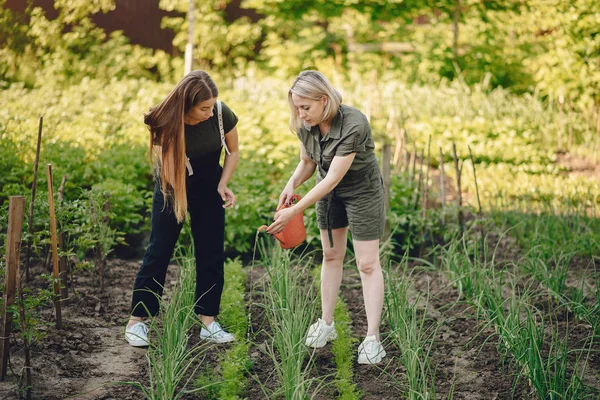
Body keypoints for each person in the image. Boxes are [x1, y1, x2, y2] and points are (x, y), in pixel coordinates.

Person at [267, 70, 386, 364]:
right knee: (331, 255)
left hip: (362, 193)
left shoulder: (354, 124)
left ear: (323, 100)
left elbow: (333, 178)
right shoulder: (305, 124)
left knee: (367, 263)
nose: (300, 113)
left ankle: (373, 339)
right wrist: (291, 183)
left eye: (305, 107)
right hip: (327, 194)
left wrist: (295, 210)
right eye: (296, 107)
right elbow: (308, 161)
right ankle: (326, 324)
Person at [125, 70, 239, 347]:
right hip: (172, 186)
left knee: (211, 252)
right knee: (159, 250)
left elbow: (233, 152)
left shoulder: (221, 114)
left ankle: (208, 323)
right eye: (203, 108)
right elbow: (171, 167)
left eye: (212, 105)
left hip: (209, 186)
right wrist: (181, 200)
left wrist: (223, 184)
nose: (210, 113)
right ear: (187, 106)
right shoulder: (166, 122)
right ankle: (137, 322)